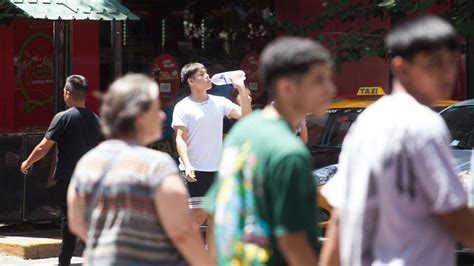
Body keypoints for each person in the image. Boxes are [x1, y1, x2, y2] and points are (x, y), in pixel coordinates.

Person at [320, 15, 474, 266]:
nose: (446, 74)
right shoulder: (424, 124)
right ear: (401, 68)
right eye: (433, 64)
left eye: (450, 63)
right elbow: (455, 216)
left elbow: (342, 217)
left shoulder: (367, 122)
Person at [205, 36, 336, 265]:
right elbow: (293, 241)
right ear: (286, 87)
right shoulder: (289, 153)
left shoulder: (244, 131)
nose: (330, 90)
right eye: (319, 81)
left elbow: (219, 214)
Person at [67, 74, 214, 265]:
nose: (162, 115)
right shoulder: (156, 165)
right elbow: (183, 232)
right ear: (139, 117)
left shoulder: (88, 162)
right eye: (155, 109)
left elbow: (77, 223)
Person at [20, 75, 101, 266]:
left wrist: (27, 163)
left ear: (67, 93)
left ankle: (65, 261)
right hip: (90, 179)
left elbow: (43, 147)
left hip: (69, 179)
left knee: (70, 219)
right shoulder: (95, 119)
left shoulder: (63, 117)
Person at [171, 62, 252, 249]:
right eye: (202, 74)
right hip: (195, 170)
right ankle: (187, 257)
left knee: (216, 219)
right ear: (191, 81)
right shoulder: (183, 107)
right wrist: (187, 165)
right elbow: (180, 139)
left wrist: (240, 88)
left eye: (207, 73)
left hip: (218, 170)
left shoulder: (219, 102)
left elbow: (246, 114)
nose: (208, 77)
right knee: (197, 216)